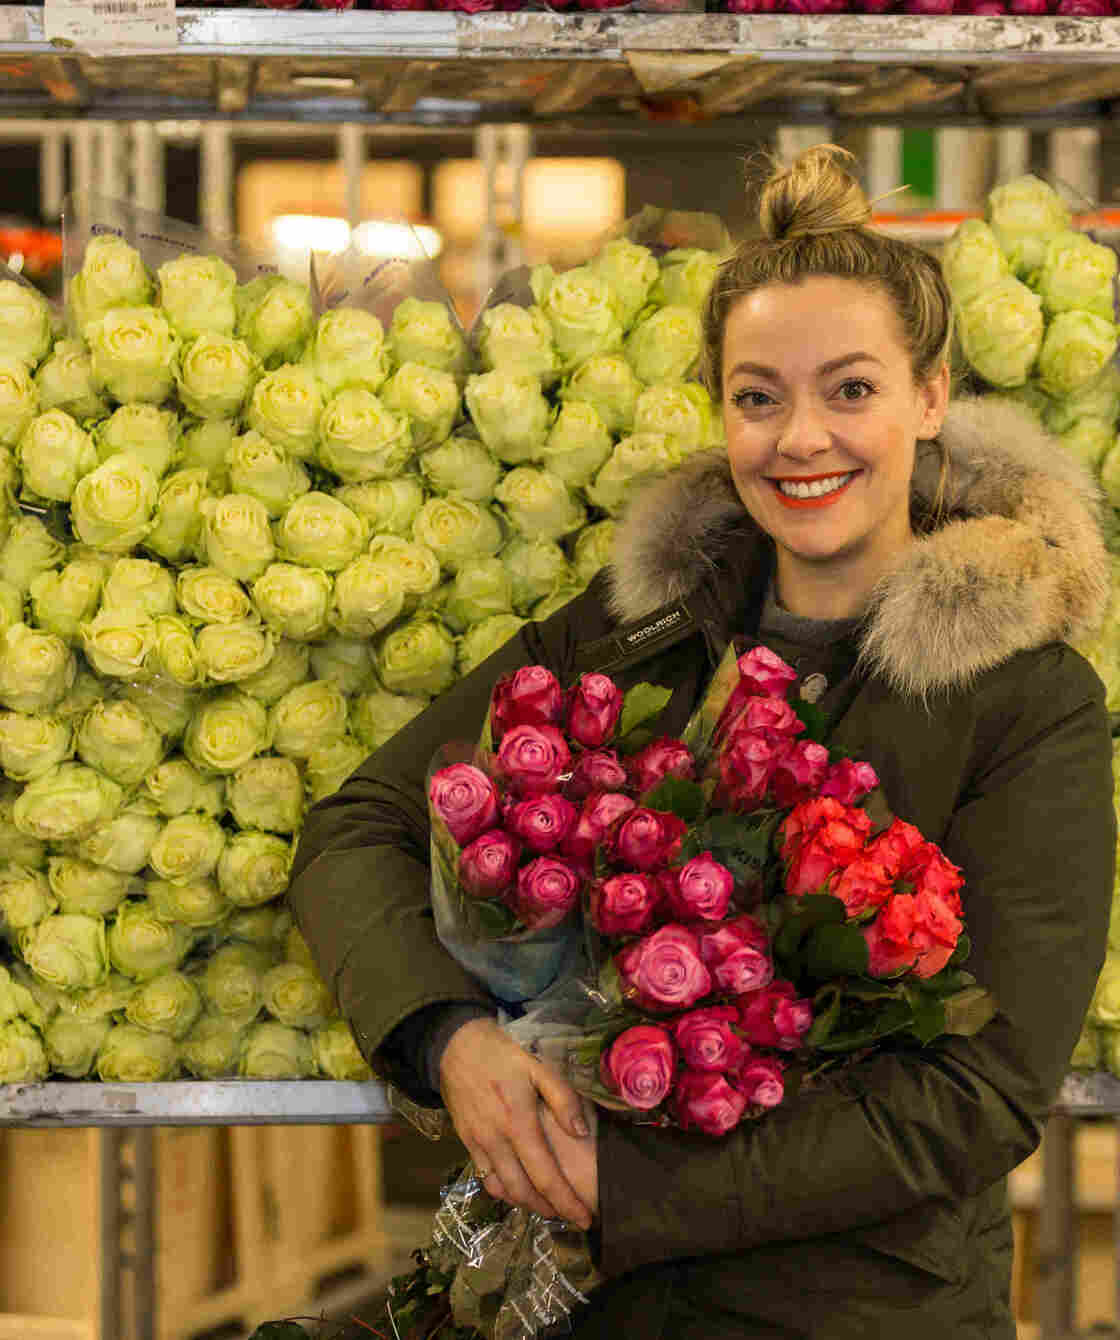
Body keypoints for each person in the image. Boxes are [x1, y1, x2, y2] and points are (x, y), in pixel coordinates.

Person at [289, 144, 1116, 1339]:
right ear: (718, 407)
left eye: (850, 389)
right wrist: (448, 1037)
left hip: (862, 1311)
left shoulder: (1023, 700)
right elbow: (359, 825)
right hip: (588, 1303)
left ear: (930, 398)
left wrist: (626, 1188)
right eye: (757, 395)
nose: (799, 440)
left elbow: (973, 1096)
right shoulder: (632, 635)